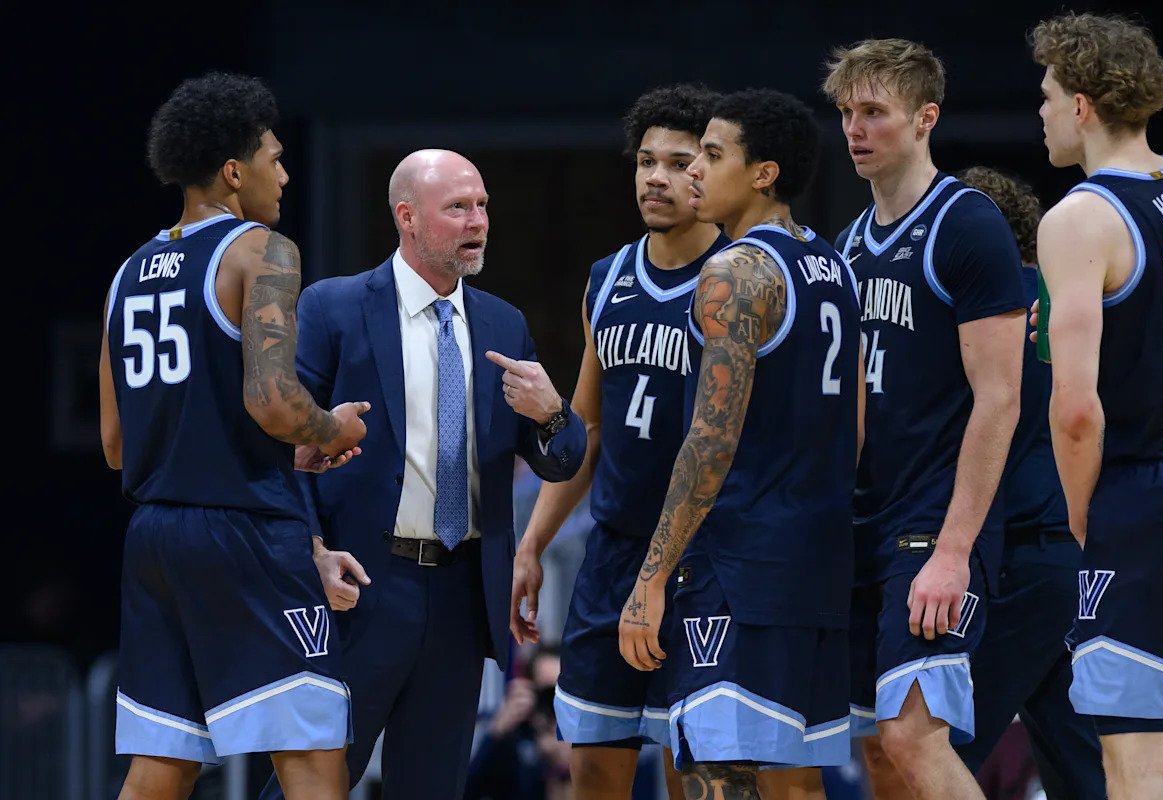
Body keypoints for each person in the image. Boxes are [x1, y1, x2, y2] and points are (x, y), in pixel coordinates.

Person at [257, 148, 586, 800]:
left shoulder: (503, 323)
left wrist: (553, 413)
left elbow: (562, 459)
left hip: (462, 594)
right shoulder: (335, 308)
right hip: (361, 586)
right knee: (314, 785)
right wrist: (311, 550)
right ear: (407, 217)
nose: (477, 221)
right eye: (457, 207)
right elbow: (280, 451)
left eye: (482, 205)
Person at [98, 70, 370, 800]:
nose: (285, 174)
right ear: (233, 170)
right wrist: (331, 428)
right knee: (312, 755)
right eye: (274, 158)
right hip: (244, 532)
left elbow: (116, 443)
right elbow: (275, 403)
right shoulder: (260, 250)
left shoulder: (127, 274)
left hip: (154, 537)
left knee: (160, 767)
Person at [618, 87, 866, 799]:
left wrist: (652, 578)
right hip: (818, 561)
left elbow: (710, 440)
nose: (694, 170)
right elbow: (854, 423)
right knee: (796, 784)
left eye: (712, 155)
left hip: (740, 566)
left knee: (716, 776)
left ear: (763, 173)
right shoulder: (834, 265)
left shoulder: (734, 273)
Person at [510, 82, 727, 800]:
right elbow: (590, 426)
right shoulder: (607, 280)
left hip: (703, 559)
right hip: (612, 554)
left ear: (713, 169)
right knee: (595, 766)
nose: (656, 178)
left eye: (679, 163)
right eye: (645, 162)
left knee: (691, 767)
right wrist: (534, 543)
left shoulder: (740, 279)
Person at [821, 39, 1026, 800]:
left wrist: (953, 550)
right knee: (879, 749)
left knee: (912, 734)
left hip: (934, 521)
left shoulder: (966, 224)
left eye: (874, 111)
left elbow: (999, 399)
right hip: (864, 520)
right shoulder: (848, 245)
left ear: (925, 118)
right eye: (847, 112)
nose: (855, 128)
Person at [1028, 11, 1163, 800]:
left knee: (1136, 770)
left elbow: (1076, 410)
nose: (1040, 112)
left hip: (1145, 499)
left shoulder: (1079, 218)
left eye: (1047, 95)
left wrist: (1081, 511)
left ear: (1082, 105)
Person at [951, 166, 1105, 798]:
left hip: (1019, 556)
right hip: (1077, 555)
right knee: (1082, 769)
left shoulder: (978, 314)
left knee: (934, 754)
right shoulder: (1065, 305)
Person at [465, 643, 572, 800]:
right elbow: (469, 791)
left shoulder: (584, 735)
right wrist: (497, 732)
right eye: (547, 691)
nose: (552, 700)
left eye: (559, 692)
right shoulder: (514, 738)